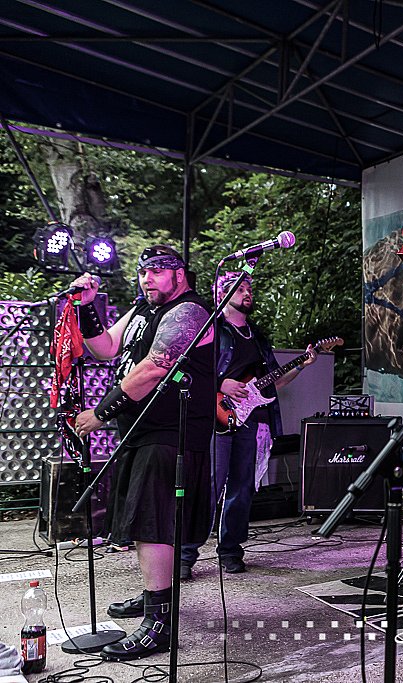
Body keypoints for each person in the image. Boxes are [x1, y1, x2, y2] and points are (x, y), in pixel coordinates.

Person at [71, 245, 216, 661]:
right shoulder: (141, 311)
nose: (146, 278)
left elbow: (155, 367)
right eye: (142, 272)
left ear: (179, 274)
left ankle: (159, 624)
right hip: (142, 430)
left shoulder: (189, 311)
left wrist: (100, 412)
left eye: (156, 271)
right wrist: (86, 307)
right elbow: (104, 347)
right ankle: (156, 594)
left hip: (172, 432)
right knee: (143, 522)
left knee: (153, 523)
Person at [179, 273, 316, 578]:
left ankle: (230, 550)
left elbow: (274, 382)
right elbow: (185, 372)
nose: (247, 293)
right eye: (239, 289)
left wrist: (302, 366)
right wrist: (220, 384)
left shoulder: (257, 336)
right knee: (209, 486)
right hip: (215, 417)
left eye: (249, 288)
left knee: (242, 487)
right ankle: (186, 555)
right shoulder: (210, 330)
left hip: (250, 420)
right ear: (222, 296)